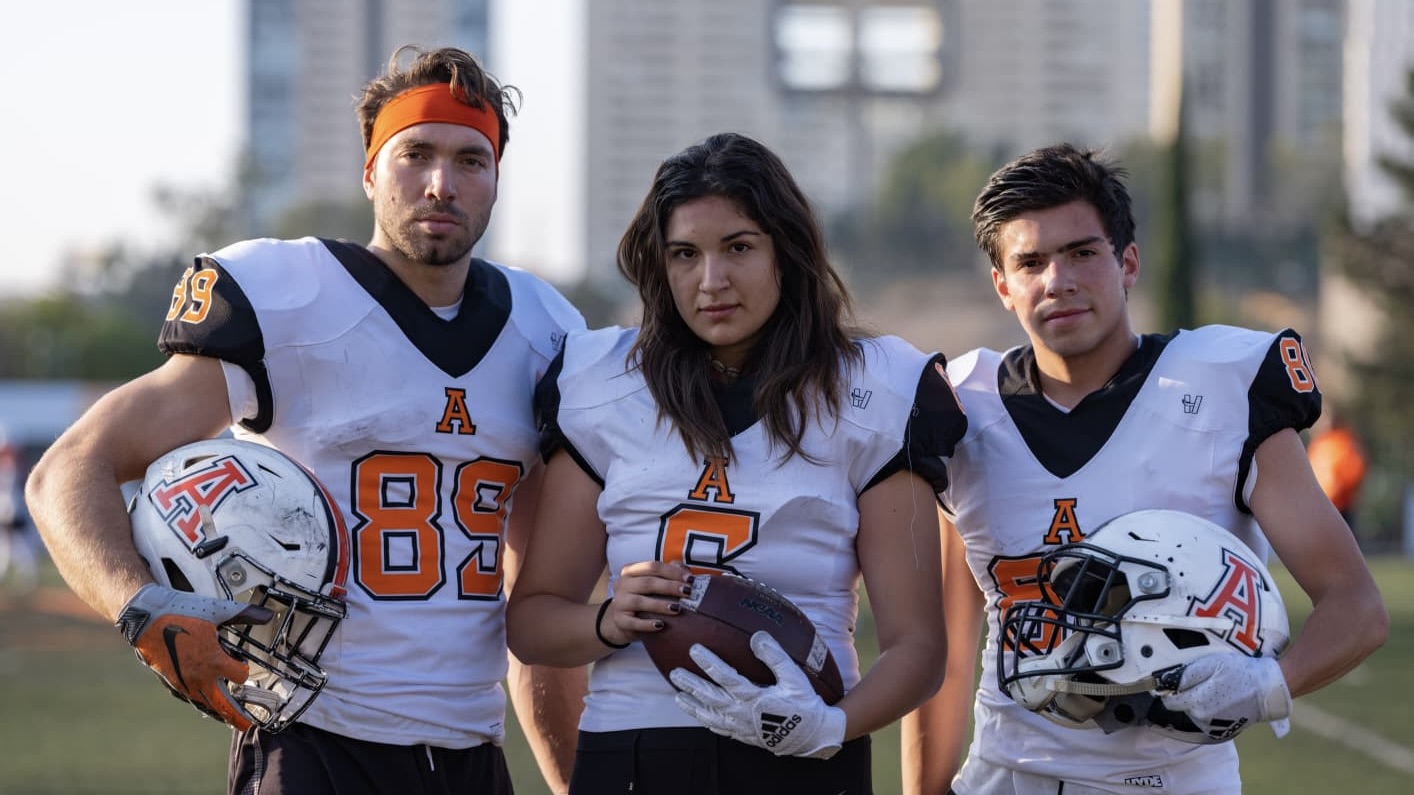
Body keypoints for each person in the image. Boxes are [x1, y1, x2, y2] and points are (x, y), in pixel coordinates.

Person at [25, 45, 587, 795]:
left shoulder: (548, 331)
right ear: (369, 171)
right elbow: (67, 469)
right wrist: (142, 607)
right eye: (414, 153)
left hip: (470, 750)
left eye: (470, 160)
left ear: (495, 181)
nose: (440, 184)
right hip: (314, 745)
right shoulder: (287, 294)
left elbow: (540, 605)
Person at [902, 143, 1389, 794]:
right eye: (1031, 261)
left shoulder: (1223, 388)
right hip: (1004, 778)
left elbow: (1356, 603)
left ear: (1127, 262)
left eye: (1081, 252)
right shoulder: (963, 405)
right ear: (1002, 284)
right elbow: (948, 654)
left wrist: (1272, 682)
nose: (1058, 280)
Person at [506, 132, 968, 795]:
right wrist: (607, 621)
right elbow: (533, 621)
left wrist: (828, 726)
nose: (711, 281)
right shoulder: (599, 383)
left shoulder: (879, 390)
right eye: (685, 255)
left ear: (789, 249)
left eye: (739, 248)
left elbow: (918, 648)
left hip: (806, 759)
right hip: (636, 755)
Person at [1306, 412, 1368, 528]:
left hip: (1340, 506)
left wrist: (1339, 490)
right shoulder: (1317, 445)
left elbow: (1354, 471)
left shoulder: (1344, 442)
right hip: (1320, 505)